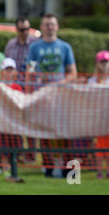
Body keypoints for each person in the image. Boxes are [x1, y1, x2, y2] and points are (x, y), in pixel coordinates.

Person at [26, 13, 78, 178]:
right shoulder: (34, 48)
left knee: (65, 133)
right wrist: (30, 92)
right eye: (46, 24)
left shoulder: (65, 47)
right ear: (41, 27)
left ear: (57, 27)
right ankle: (48, 167)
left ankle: (68, 170)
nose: (49, 27)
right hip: (42, 98)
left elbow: (73, 74)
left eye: (52, 24)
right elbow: (29, 73)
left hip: (61, 98)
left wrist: (58, 84)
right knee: (45, 133)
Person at [4, 16, 39, 161]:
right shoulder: (11, 45)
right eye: (21, 29)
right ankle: (16, 154)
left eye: (26, 29)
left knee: (30, 122)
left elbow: (36, 67)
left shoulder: (35, 44)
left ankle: (31, 155)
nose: (25, 32)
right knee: (14, 123)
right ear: (17, 30)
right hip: (14, 90)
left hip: (30, 88)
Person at [88, 50, 109, 179]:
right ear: (97, 64)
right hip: (98, 117)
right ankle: (100, 172)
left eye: (106, 62)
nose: (104, 65)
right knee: (99, 143)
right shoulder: (93, 81)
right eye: (101, 62)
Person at [0, 58, 24, 180]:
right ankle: (6, 170)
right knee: (3, 148)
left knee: (15, 147)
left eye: (11, 70)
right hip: (3, 124)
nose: (8, 72)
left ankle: (13, 169)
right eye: (6, 70)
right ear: (2, 72)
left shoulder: (17, 87)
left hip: (14, 124)